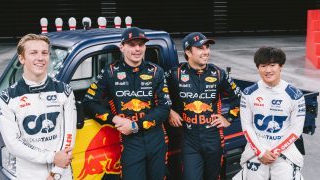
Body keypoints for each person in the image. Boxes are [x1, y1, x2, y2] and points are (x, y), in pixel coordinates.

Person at [83, 27, 172, 179]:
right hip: (130, 142)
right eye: (132, 44)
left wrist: (136, 126)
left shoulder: (156, 71)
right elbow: (89, 102)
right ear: (122, 47)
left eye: (141, 44)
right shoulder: (110, 72)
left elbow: (165, 106)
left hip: (155, 138)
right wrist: (114, 119)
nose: (137, 49)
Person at [0, 34, 77, 180]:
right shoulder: (7, 98)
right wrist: (52, 157)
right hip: (29, 174)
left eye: (44, 53)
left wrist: (56, 172)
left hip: (62, 172)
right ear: (21, 58)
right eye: (33, 53)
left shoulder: (64, 91)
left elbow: (69, 135)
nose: (40, 58)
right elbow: (13, 143)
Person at [166, 32, 241, 180]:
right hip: (189, 139)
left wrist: (229, 119)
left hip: (213, 137)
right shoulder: (175, 74)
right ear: (188, 52)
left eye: (207, 47)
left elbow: (238, 98)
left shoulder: (218, 74)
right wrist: (169, 111)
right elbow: (157, 95)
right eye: (200, 48)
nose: (206, 52)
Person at [233, 47, 306, 180]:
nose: (268, 70)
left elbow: (296, 129)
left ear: (281, 66)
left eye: (272, 65)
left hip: (284, 153)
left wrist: (275, 151)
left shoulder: (295, 95)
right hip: (256, 152)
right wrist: (260, 152)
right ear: (258, 67)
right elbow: (247, 126)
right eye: (263, 66)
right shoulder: (249, 93)